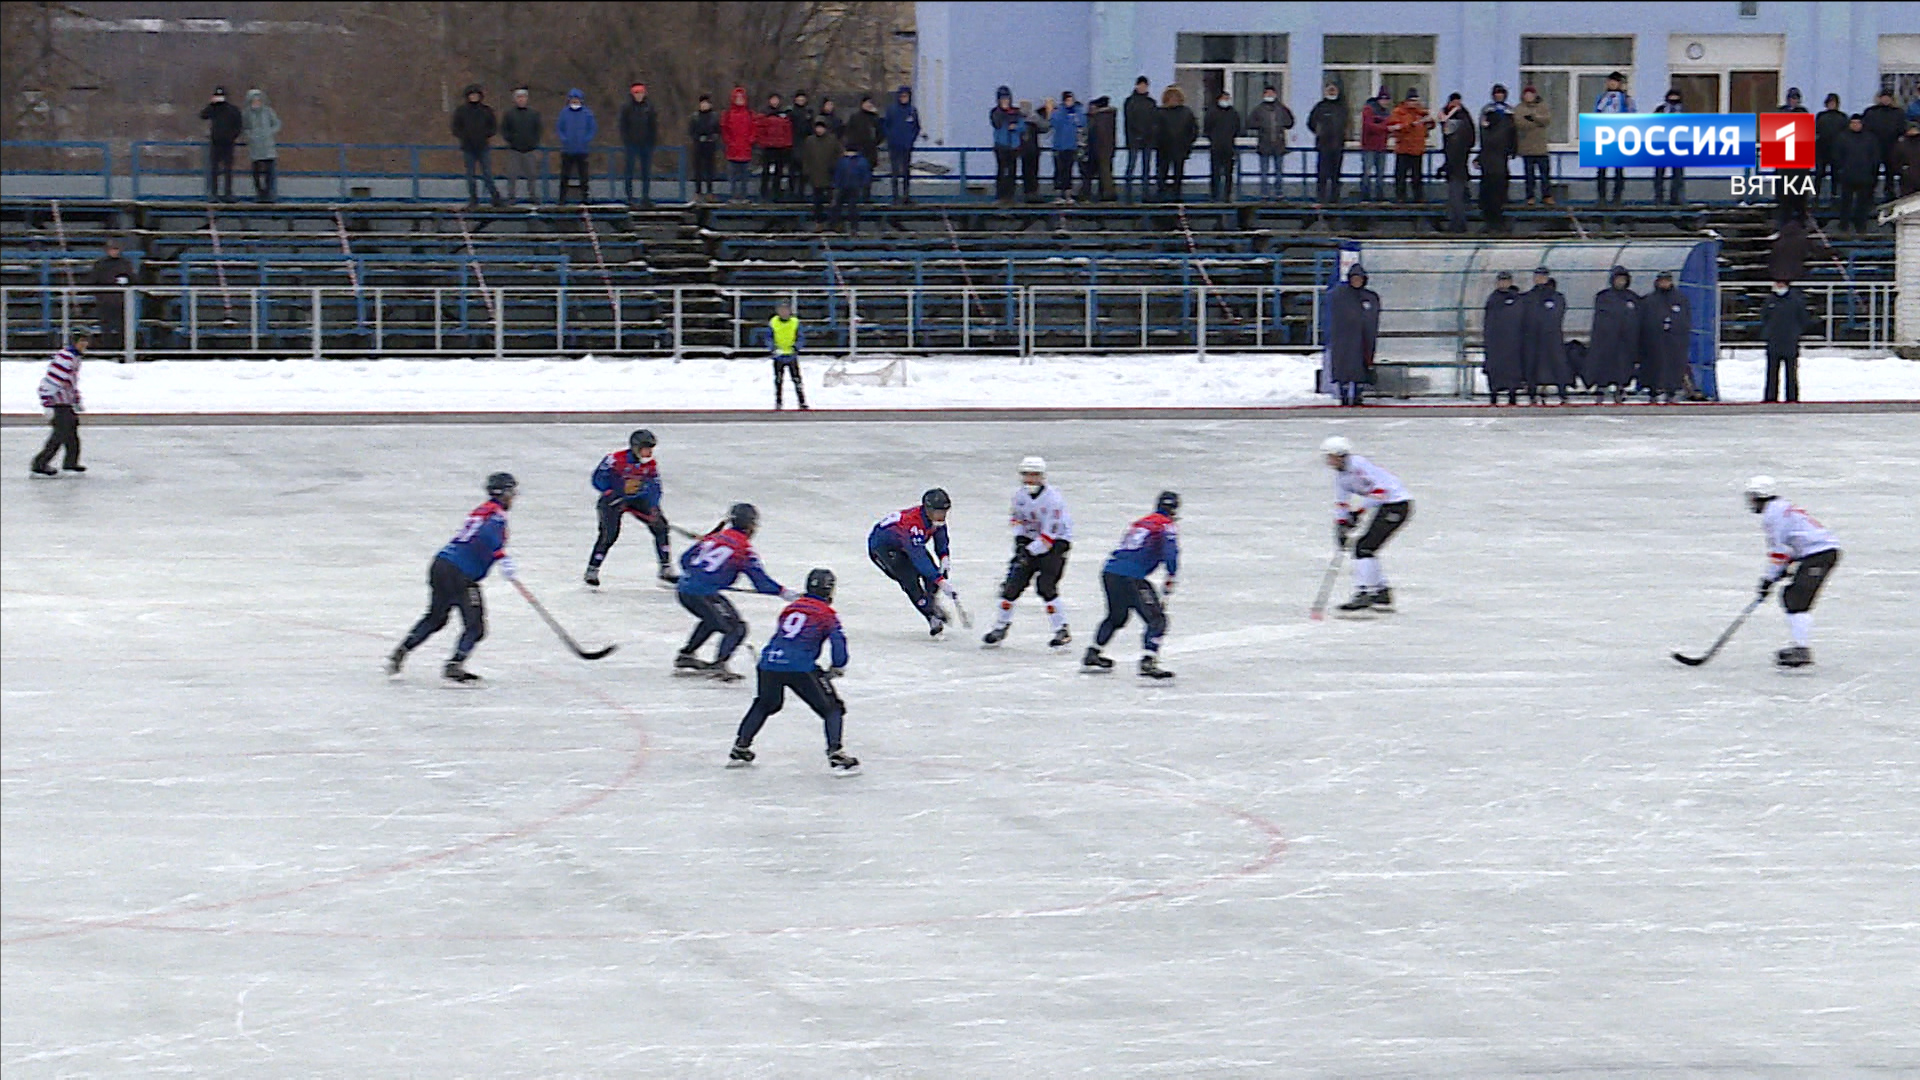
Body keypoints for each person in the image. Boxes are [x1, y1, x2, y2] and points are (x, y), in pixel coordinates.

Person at [386, 473, 519, 683]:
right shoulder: (496, 515)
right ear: (502, 493)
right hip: (460, 573)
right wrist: (501, 556)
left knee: (436, 618)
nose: (514, 497)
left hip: (441, 564)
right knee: (475, 627)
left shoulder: (483, 510)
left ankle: (400, 652)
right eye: (511, 492)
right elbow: (487, 535)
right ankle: (454, 665)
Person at [726, 568, 859, 774]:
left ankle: (741, 746)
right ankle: (836, 753)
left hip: (769, 662)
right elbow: (838, 642)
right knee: (832, 708)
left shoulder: (792, 608)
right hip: (800, 666)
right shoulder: (827, 614)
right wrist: (838, 666)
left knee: (765, 703)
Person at [675, 503, 793, 682]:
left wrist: (704, 576)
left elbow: (684, 560)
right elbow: (761, 582)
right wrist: (784, 592)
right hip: (702, 593)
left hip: (686, 589)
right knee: (736, 627)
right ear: (749, 526)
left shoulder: (714, 538)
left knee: (713, 619)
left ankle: (687, 655)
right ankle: (719, 665)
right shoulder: (744, 550)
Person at [1745, 476, 1840, 668]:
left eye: (1751, 497)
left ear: (1759, 496)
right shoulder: (1780, 507)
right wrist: (1783, 569)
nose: (1750, 502)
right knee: (1791, 597)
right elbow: (1792, 545)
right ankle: (1799, 646)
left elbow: (1779, 551)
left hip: (1819, 554)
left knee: (1797, 599)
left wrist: (1768, 579)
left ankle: (1801, 650)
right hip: (1815, 554)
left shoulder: (1772, 516)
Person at [1082, 491, 1179, 680]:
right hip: (1131, 576)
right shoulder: (1167, 525)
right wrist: (1171, 574)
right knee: (1157, 619)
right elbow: (1170, 552)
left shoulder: (1142, 522)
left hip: (1110, 571)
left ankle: (1093, 652)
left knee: (1116, 616)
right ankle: (1148, 661)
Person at [982, 456, 1073, 649]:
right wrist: (1021, 542)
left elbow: (1050, 534)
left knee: (1045, 586)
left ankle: (1061, 629)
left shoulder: (1053, 501)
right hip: (1031, 542)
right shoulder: (1019, 497)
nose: (1030, 479)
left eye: (1035, 475)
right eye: (1027, 475)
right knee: (1012, 586)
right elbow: (1016, 520)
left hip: (1055, 545)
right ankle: (1000, 626)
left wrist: (1029, 552)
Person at [1322, 436, 1412, 614]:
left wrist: (1358, 513)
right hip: (1384, 506)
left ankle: (1365, 592)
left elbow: (1381, 491)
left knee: (1364, 548)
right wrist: (1341, 524)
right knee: (1366, 548)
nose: (1327, 460)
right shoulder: (1341, 475)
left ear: (1340, 455)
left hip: (1397, 505)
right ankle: (1380, 591)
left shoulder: (1359, 466)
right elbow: (1341, 501)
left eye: (1330, 456)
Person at [585, 428, 677, 586]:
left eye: (651, 449)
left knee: (661, 527)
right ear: (635, 448)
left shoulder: (650, 464)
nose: (649, 453)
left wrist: (653, 506)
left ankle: (666, 568)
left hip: (637, 499)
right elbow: (598, 478)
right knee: (609, 534)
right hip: (613, 499)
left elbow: (655, 486)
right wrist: (611, 492)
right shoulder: (614, 459)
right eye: (646, 449)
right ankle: (592, 569)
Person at [868, 488, 957, 635]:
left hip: (906, 545)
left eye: (945, 512)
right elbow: (919, 558)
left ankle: (930, 602)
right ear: (928, 509)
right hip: (883, 549)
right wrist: (940, 580)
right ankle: (930, 616)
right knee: (910, 579)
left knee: (933, 576)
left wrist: (944, 557)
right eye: (939, 512)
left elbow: (941, 538)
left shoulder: (935, 519)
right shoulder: (911, 524)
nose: (943, 516)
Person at [30, 331, 86, 477]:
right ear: (74, 342)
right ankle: (40, 464)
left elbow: (70, 383)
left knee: (71, 433)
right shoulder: (65, 358)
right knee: (60, 434)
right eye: (82, 341)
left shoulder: (73, 357)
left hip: (65, 402)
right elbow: (52, 381)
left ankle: (70, 463)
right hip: (58, 403)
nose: (85, 344)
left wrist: (75, 399)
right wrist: (47, 403)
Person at [1326, 263, 1379, 407]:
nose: (1357, 282)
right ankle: (1343, 394)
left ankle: (1357, 394)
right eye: (1354, 278)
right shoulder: (1340, 295)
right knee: (1343, 365)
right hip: (1343, 338)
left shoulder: (1368, 297)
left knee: (1361, 366)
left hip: (1362, 338)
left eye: (1359, 279)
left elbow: (1372, 316)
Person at [1587, 266, 1640, 403]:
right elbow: (1600, 319)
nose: (1620, 282)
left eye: (1623, 279)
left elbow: (1637, 318)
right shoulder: (1604, 297)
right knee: (1604, 366)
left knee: (1623, 366)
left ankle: (1620, 388)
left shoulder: (1632, 298)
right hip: (1607, 340)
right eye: (1618, 279)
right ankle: (1601, 388)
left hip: (1625, 341)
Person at [1637, 269, 1690, 404]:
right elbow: (1643, 320)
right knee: (1653, 367)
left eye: (1667, 281)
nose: (1665, 283)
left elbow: (1685, 319)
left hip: (1674, 342)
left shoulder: (1680, 299)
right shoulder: (1649, 300)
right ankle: (1653, 391)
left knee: (1673, 367)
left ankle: (1671, 392)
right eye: (1662, 281)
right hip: (1654, 341)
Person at [1758, 280, 1815, 403]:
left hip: (1790, 341)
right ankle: (1770, 397)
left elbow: (1803, 318)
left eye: (1781, 285)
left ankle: (1792, 397)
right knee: (1772, 372)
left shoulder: (1796, 301)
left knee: (1791, 372)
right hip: (1774, 341)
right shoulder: (1770, 301)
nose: (1779, 287)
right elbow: (1764, 317)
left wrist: (1796, 332)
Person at [1520, 267, 1571, 405]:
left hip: (1551, 338)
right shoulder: (1528, 297)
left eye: (1543, 276)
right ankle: (1532, 392)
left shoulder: (1557, 297)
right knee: (1533, 365)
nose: (1540, 279)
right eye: (1537, 276)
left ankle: (1562, 392)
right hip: (1533, 338)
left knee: (1557, 364)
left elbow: (1557, 314)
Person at [451, 84, 503, 208]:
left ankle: (496, 198)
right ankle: (473, 199)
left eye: (476, 95)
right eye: (471, 95)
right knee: (470, 175)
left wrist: (485, 134)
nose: (474, 97)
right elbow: (455, 127)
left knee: (487, 174)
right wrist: (464, 136)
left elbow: (493, 126)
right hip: (468, 147)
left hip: (483, 146)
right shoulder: (461, 111)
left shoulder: (486, 110)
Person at [1482, 270, 1526, 405]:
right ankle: (1494, 395)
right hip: (1496, 342)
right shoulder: (1493, 299)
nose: (1503, 283)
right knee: (1495, 370)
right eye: (1501, 281)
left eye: (1506, 280)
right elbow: (1489, 321)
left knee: (1512, 370)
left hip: (1513, 342)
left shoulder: (1517, 299)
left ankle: (1512, 395)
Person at [1832, 114, 1881, 232]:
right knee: (1845, 203)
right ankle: (1844, 224)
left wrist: (1872, 171)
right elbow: (1836, 156)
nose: (1855, 125)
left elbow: (1875, 156)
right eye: (1853, 123)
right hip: (1847, 176)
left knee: (1862, 203)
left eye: (1858, 123)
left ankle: (1861, 225)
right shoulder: (1842, 137)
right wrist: (1841, 169)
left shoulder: (1870, 138)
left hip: (1865, 176)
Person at [1591, 72, 1635, 204]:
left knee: (1619, 168)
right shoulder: (1602, 97)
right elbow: (1596, 112)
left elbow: (1631, 115)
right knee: (1601, 169)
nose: (1612, 84)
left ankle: (1617, 197)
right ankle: (1601, 197)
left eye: (1615, 82)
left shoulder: (1626, 99)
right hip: (1603, 135)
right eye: (1610, 81)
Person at [1477, 85, 1516, 230]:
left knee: (1502, 177)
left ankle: (1501, 201)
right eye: (1497, 94)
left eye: (1501, 93)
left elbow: (1513, 131)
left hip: (1502, 152)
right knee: (1489, 179)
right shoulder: (1488, 110)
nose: (1499, 96)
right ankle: (1489, 208)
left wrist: (1513, 148)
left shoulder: (1509, 111)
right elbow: (1483, 132)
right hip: (1490, 152)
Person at [86, 240, 134, 354]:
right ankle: (107, 349)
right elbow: (93, 280)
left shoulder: (125, 263)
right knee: (106, 326)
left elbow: (133, 278)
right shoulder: (100, 264)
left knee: (122, 326)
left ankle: (122, 350)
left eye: (116, 249)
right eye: (112, 249)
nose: (114, 251)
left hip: (121, 300)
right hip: (105, 300)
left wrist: (126, 281)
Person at [1388, 88, 1433, 203]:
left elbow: (1430, 126)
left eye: (1415, 100)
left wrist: (1430, 121)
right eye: (1411, 100)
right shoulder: (1398, 112)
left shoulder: (1421, 112)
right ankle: (1400, 197)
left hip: (1417, 149)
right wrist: (1410, 125)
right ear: (1406, 100)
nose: (1414, 103)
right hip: (1403, 149)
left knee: (1417, 176)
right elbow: (1395, 127)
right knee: (1400, 175)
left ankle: (1418, 197)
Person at [1307, 82, 1349, 204]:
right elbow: (1311, 122)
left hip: (1338, 145)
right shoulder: (1320, 107)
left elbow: (1347, 124)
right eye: (1329, 90)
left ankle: (1334, 199)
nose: (1332, 92)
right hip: (1323, 145)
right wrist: (1319, 132)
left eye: (1334, 90)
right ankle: (1321, 198)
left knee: (1336, 174)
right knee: (1322, 174)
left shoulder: (1342, 108)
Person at [1251, 84, 1295, 200]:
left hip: (1279, 145)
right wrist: (1261, 126)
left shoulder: (1282, 109)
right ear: (1263, 95)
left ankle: (1279, 193)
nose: (1269, 95)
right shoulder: (1258, 109)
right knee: (1264, 172)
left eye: (1271, 93)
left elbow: (1290, 123)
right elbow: (1250, 123)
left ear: (1275, 94)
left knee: (1279, 172)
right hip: (1264, 145)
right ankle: (1264, 194)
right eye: (1267, 93)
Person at [198, 86, 242, 201]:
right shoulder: (213, 109)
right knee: (214, 169)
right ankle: (214, 193)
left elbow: (239, 125)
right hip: (215, 143)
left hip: (228, 143)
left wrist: (233, 136)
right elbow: (203, 115)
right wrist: (211, 104)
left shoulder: (232, 109)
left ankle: (228, 193)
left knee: (228, 169)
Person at [1438, 93, 1474, 233]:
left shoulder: (1458, 125)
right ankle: (1456, 223)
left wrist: (1446, 165)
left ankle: (1457, 225)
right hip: (1457, 164)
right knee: (1456, 195)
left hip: (1456, 165)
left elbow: (1455, 148)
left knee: (1455, 197)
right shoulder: (1464, 118)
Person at [618, 82, 659, 205]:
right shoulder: (627, 107)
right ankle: (629, 196)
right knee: (629, 170)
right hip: (631, 143)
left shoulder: (649, 107)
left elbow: (653, 125)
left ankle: (645, 196)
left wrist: (652, 140)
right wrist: (626, 139)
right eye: (636, 93)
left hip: (646, 143)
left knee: (646, 171)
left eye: (641, 93)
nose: (639, 95)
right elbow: (622, 125)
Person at [500, 87, 542, 204]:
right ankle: (511, 196)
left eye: (523, 97)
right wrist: (511, 140)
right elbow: (504, 129)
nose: (521, 100)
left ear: (527, 99)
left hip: (530, 149)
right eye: (518, 97)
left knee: (532, 175)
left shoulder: (533, 114)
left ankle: (533, 196)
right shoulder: (509, 114)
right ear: (515, 99)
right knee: (512, 175)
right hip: (514, 149)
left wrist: (534, 143)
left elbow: (538, 129)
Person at [1154, 87, 1196, 202]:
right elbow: (1155, 130)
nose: (1173, 99)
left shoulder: (1186, 112)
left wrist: (1188, 143)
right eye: (1171, 97)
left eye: (1175, 97)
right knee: (1162, 172)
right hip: (1164, 148)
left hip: (1180, 148)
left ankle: (1177, 195)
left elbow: (1193, 130)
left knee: (1178, 173)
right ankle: (1161, 194)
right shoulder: (1160, 112)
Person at [764, 299, 808, 408]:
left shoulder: (795, 322)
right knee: (778, 379)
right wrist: (773, 348)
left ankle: (802, 401)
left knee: (796, 379)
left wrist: (796, 347)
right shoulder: (773, 322)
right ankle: (778, 401)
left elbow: (801, 337)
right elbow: (768, 337)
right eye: (781, 309)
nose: (784, 312)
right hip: (778, 355)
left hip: (791, 355)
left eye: (786, 309)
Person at [555, 88, 596, 203]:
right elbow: (559, 128)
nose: (574, 102)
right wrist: (564, 140)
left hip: (582, 150)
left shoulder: (587, 114)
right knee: (564, 175)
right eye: (572, 100)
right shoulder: (564, 113)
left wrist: (586, 140)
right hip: (567, 150)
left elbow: (592, 129)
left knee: (583, 176)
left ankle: (585, 197)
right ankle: (562, 198)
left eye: (577, 100)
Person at [799, 118, 842, 227]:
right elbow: (806, 157)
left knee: (832, 200)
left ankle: (834, 222)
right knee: (817, 201)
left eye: (821, 127)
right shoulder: (809, 141)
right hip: (815, 174)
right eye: (817, 127)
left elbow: (840, 154)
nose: (819, 130)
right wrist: (806, 170)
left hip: (830, 174)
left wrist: (835, 167)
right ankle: (819, 222)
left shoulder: (833, 140)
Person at [1862, 90, 1904, 202]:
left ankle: (1890, 192)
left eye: (1888, 98)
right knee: (1872, 171)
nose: (1885, 100)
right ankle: (1869, 193)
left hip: (1891, 146)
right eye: (1883, 97)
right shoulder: (1871, 112)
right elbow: (1865, 129)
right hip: (1875, 147)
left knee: (1890, 171)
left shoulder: (1898, 113)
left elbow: (1902, 128)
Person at [883, 85, 922, 203]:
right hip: (894, 146)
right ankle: (895, 196)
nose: (903, 98)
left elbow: (917, 127)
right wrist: (890, 138)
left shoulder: (912, 110)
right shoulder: (892, 110)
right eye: (902, 96)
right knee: (895, 172)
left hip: (907, 146)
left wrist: (911, 140)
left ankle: (906, 196)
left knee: (906, 172)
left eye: (906, 96)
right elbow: (885, 125)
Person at [241, 89, 281, 203]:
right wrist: (250, 135)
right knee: (256, 171)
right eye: (254, 100)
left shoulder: (268, 111)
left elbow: (277, 123)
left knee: (270, 171)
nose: (256, 102)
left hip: (268, 146)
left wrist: (270, 132)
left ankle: (269, 194)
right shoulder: (247, 114)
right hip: (255, 146)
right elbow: (244, 127)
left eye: (258, 100)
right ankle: (260, 194)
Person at [1122, 76, 1158, 203]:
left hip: (1148, 139)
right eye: (1141, 85)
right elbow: (1129, 120)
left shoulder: (1151, 102)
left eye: (1145, 86)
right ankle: (1128, 193)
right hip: (1134, 138)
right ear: (1137, 86)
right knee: (1131, 165)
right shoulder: (1130, 102)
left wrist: (1150, 134)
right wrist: (1136, 133)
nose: (1143, 88)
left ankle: (1145, 193)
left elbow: (1154, 121)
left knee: (1146, 167)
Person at [1515, 85, 1552, 205]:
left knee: (1545, 175)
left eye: (1531, 94)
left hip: (1541, 148)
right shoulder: (1519, 108)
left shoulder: (1543, 106)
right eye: (1526, 95)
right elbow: (1520, 124)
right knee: (1529, 176)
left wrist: (1533, 118)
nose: (1528, 97)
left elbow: (1546, 120)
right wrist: (1536, 122)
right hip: (1527, 148)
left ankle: (1547, 196)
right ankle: (1530, 196)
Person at [990, 86, 1026, 206]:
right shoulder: (995, 112)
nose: (1005, 101)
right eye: (1002, 99)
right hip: (1001, 145)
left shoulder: (1016, 112)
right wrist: (1005, 113)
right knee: (1001, 171)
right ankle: (1000, 196)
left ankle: (1010, 196)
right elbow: (997, 124)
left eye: (1007, 99)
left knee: (1012, 172)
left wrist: (1015, 126)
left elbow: (1023, 126)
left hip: (1013, 146)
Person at [755, 92, 794, 201]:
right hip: (767, 146)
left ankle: (776, 191)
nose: (775, 102)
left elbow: (787, 131)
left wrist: (787, 144)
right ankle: (764, 191)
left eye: (776, 100)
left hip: (780, 147)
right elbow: (759, 130)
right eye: (773, 100)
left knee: (779, 170)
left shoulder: (784, 114)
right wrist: (762, 142)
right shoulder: (764, 113)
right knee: (765, 170)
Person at [1204, 90, 1241, 202]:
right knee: (1215, 173)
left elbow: (1237, 128)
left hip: (1229, 147)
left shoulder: (1233, 113)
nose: (1225, 100)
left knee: (1228, 173)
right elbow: (1207, 129)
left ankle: (1227, 195)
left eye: (1227, 98)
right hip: (1216, 147)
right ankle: (1214, 195)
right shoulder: (1212, 112)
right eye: (1224, 98)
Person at [1651, 89, 1686, 205]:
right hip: (1662, 145)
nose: (1673, 102)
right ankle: (1659, 198)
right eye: (1671, 98)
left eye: (1676, 99)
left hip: (1678, 146)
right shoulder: (1661, 110)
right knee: (1659, 174)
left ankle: (1675, 199)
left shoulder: (1683, 112)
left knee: (1677, 175)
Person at [720, 87, 755, 203]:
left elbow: (754, 128)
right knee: (733, 175)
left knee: (745, 176)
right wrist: (729, 141)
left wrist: (751, 140)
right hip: (733, 150)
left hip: (745, 149)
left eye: (742, 98)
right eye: (737, 98)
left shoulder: (749, 114)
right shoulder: (728, 114)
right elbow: (724, 129)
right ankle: (733, 196)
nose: (740, 100)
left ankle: (744, 197)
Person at [1050, 90, 1085, 203]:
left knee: (1068, 171)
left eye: (1071, 100)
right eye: (1068, 100)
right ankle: (1058, 194)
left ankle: (1068, 195)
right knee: (1059, 170)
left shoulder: (1077, 112)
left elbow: (1083, 123)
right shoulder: (1058, 112)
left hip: (1071, 146)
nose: (1070, 102)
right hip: (1059, 146)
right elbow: (1054, 122)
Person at [1814, 93, 1848, 206]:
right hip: (1821, 149)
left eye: (1834, 103)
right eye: (1830, 103)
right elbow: (1816, 131)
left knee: (1836, 173)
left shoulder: (1842, 117)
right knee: (1819, 173)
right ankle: (1816, 193)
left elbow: (1845, 133)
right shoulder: (1821, 116)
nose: (1832, 105)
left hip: (1836, 150)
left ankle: (1835, 193)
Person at [1357, 87, 1391, 201]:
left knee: (1380, 174)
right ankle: (1365, 197)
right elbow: (1369, 126)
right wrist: (1385, 128)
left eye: (1387, 100)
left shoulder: (1387, 112)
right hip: (1369, 147)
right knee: (1367, 172)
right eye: (1384, 99)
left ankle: (1379, 197)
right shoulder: (1369, 110)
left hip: (1381, 147)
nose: (1385, 102)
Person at [830, 144, 872, 234]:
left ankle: (836, 225)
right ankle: (853, 227)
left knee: (837, 206)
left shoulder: (842, 161)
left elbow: (838, 175)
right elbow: (866, 175)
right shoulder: (862, 161)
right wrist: (864, 186)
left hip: (843, 186)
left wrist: (835, 185)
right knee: (852, 207)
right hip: (854, 187)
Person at [1084, 95, 1118, 202]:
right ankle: (1106, 193)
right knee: (1105, 171)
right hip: (1107, 148)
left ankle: (1090, 194)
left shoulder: (1097, 119)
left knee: (1092, 172)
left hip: (1097, 149)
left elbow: (1092, 133)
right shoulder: (1109, 117)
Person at [687, 93, 720, 202]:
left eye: (706, 103)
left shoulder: (714, 116)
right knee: (698, 170)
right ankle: (698, 192)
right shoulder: (695, 117)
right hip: (698, 146)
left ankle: (710, 192)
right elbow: (691, 131)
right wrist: (698, 138)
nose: (704, 105)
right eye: (702, 103)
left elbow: (718, 131)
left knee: (710, 169)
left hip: (710, 146)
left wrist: (712, 137)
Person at [1018, 98, 1052, 203]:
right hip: (1031, 150)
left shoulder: (1024, 120)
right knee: (1031, 172)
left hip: (1029, 150)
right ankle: (1031, 193)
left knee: (1029, 172)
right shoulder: (1033, 120)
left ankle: (1030, 193)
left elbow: (1045, 127)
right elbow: (1045, 127)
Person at [846, 95, 883, 183]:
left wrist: (875, 142)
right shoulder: (854, 117)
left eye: (870, 103)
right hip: (857, 150)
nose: (868, 105)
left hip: (870, 151)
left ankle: (866, 196)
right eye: (866, 103)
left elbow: (881, 132)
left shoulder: (875, 118)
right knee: (856, 176)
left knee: (868, 178)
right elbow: (848, 132)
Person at [786, 90, 815, 200]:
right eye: (799, 99)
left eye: (803, 99)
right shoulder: (791, 112)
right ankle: (792, 192)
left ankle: (801, 193)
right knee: (792, 172)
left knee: (804, 172)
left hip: (805, 145)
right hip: (792, 144)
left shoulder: (809, 113)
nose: (801, 101)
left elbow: (811, 130)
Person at [1892, 118, 1920, 197]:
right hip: (1907, 180)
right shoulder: (1901, 144)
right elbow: (1895, 160)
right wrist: (1903, 171)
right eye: (1911, 129)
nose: (1913, 131)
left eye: (1915, 129)